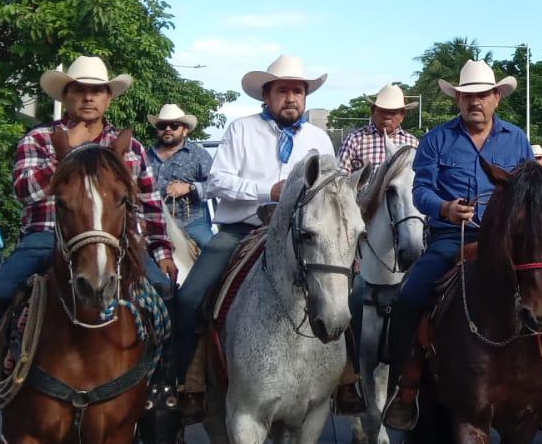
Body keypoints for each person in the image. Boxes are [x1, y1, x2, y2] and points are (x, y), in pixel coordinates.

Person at [0, 56, 175, 444]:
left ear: (108, 98)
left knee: (166, 293)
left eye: (96, 91)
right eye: (80, 90)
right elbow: (26, 192)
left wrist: (162, 250)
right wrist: (71, 155)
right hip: (46, 235)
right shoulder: (37, 139)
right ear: (66, 97)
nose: (88, 98)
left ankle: (160, 393)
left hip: (118, 244)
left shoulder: (130, 147)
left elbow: (149, 203)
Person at [168, 54, 335, 417]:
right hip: (243, 231)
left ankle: (346, 377)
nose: (291, 98)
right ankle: (184, 381)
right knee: (190, 298)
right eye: (283, 91)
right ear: (267, 96)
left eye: (298, 91)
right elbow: (217, 182)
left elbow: (329, 192)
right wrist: (268, 192)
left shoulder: (319, 138)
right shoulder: (241, 129)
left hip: (301, 237)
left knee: (345, 293)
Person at [383, 60, 532, 429]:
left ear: (497, 97)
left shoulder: (517, 139)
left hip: (508, 240)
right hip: (453, 237)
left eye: (482, 95)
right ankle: (404, 385)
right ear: (458, 101)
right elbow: (420, 191)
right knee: (410, 295)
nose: (474, 102)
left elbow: (531, 189)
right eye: (467, 96)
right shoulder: (436, 139)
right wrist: (445, 209)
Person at [145, 104, 215, 250]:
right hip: (154, 223)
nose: (168, 129)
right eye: (163, 125)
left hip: (192, 222)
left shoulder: (199, 155)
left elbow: (216, 185)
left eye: (174, 125)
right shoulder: (144, 157)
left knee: (212, 250)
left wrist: (190, 187)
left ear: (185, 130)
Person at [336, 84, 420, 176]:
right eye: (382, 111)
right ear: (373, 111)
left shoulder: (412, 144)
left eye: (392, 113)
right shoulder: (354, 140)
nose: (387, 117)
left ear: (402, 115)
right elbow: (339, 178)